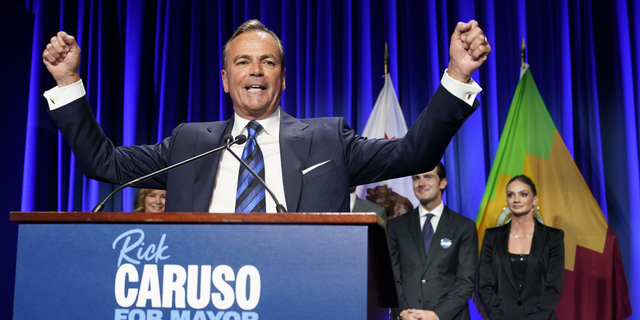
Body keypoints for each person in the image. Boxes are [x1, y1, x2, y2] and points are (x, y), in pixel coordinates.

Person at [41, 19, 490, 213]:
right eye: (242, 62)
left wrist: (455, 75)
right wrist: (67, 84)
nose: (254, 71)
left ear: (283, 78)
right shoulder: (187, 143)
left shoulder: (329, 139)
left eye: (267, 62)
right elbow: (105, 165)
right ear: (224, 79)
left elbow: (415, 152)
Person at [387, 163, 478, 320]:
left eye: (428, 177)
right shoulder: (395, 226)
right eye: (416, 178)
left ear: (442, 183)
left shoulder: (464, 227)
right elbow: (392, 278)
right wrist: (402, 312)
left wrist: (437, 315)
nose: (421, 183)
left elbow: (465, 282)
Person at [477, 175, 564, 319]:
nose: (516, 200)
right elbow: (485, 287)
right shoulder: (492, 237)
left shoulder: (553, 237)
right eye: (511, 195)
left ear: (535, 200)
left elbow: (553, 288)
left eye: (523, 194)